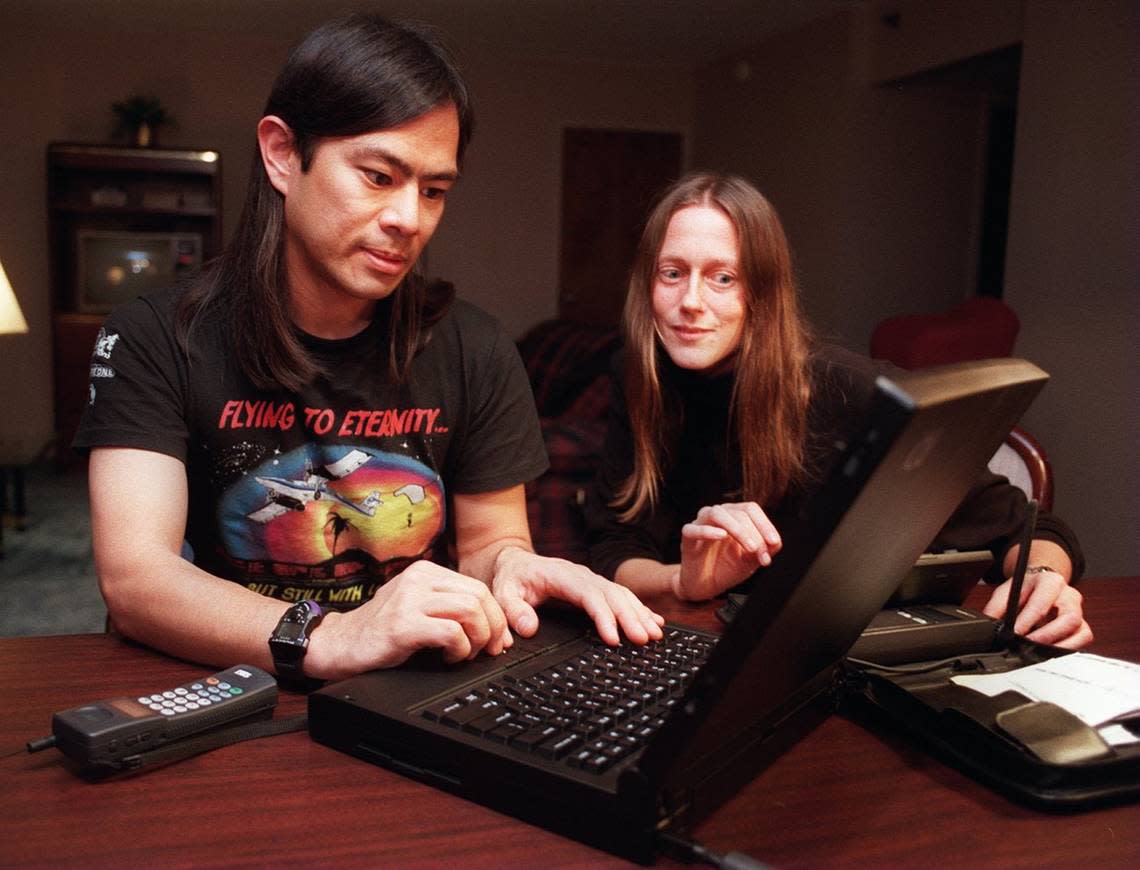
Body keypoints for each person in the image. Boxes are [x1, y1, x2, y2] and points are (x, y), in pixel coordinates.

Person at [75, 14, 663, 684]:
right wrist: (332, 636)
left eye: (434, 190)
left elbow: (490, 542)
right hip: (234, 686)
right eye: (379, 176)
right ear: (281, 155)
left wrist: (513, 565)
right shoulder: (152, 337)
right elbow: (137, 579)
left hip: (410, 692)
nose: (409, 219)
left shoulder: (474, 345)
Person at [585, 172, 1092, 649]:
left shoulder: (848, 390)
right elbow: (614, 546)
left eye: (723, 278)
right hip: (711, 648)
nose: (690, 301)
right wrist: (684, 580)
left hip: (833, 654)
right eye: (672, 273)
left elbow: (1023, 528)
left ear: (763, 293)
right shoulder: (638, 374)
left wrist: (1042, 579)